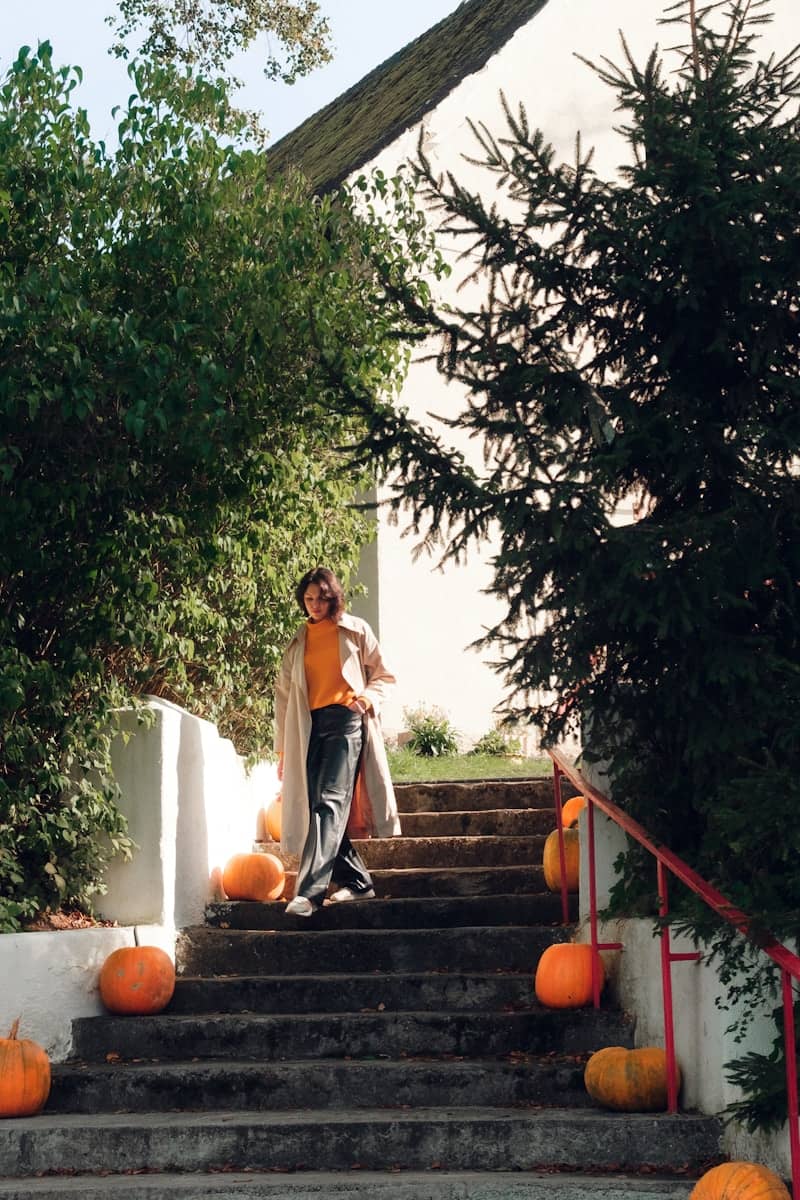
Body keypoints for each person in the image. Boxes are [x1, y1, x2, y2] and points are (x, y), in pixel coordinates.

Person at [274, 566, 400, 917]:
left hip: (345, 721)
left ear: (334, 597)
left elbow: (384, 675)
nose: (315, 605)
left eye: (322, 598)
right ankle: (359, 883)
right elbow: (283, 699)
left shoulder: (355, 630)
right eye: (309, 598)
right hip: (307, 728)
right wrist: (283, 750)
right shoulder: (297, 642)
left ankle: (309, 894)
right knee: (322, 806)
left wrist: (365, 699)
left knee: (327, 802)